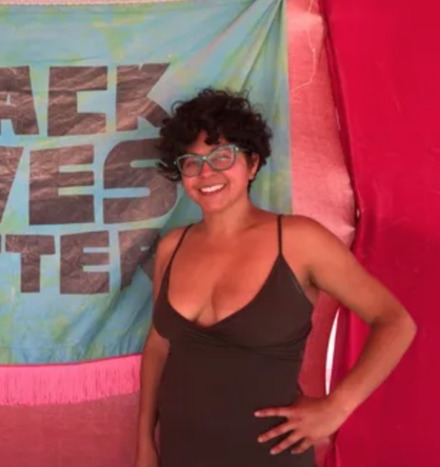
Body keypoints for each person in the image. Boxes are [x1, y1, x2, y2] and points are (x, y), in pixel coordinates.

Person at [134, 88, 417, 467]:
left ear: (252, 163)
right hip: (180, 454)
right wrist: (145, 444)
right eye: (191, 162)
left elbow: (395, 322)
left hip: (270, 456)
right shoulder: (173, 246)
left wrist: (337, 407)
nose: (206, 173)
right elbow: (158, 346)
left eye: (222, 156)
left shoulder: (300, 240)